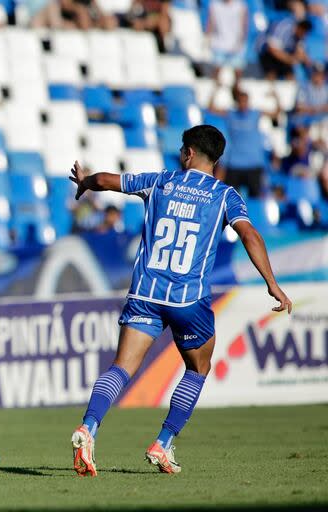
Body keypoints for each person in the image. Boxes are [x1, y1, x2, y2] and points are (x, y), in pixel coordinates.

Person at [68, 124, 292, 476]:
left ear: (188, 153)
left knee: (122, 367)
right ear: (216, 160)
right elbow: (249, 234)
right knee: (197, 368)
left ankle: (88, 429)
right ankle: (162, 443)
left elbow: (107, 180)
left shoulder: (160, 181)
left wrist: (85, 181)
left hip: (146, 292)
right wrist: (272, 283)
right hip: (189, 299)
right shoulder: (225, 195)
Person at [208, 84, 280, 198]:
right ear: (237, 102)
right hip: (234, 163)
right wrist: (215, 90)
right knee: (231, 198)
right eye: (240, 101)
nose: (243, 104)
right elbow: (211, 109)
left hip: (253, 163)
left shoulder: (255, 114)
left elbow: (276, 113)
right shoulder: (231, 114)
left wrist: (276, 97)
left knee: (255, 199)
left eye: (245, 101)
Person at [258, 1, 312, 80]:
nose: (304, 32)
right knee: (271, 74)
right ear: (297, 26)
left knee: (291, 77)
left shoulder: (301, 36)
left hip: (284, 55)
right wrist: (290, 59)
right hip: (266, 53)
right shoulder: (283, 26)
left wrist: (304, 59)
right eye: (302, 28)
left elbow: (300, 51)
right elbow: (271, 49)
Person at [205, 0, 249, 82]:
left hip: (236, 44)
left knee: (237, 70)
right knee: (217, 69)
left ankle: (236, 88)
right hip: (219, 43)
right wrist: (207, 39)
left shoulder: (240, 5)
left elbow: (244, 24)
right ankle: (215, 89)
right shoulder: (214, 5)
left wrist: (241, 41)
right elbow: (210, 23)